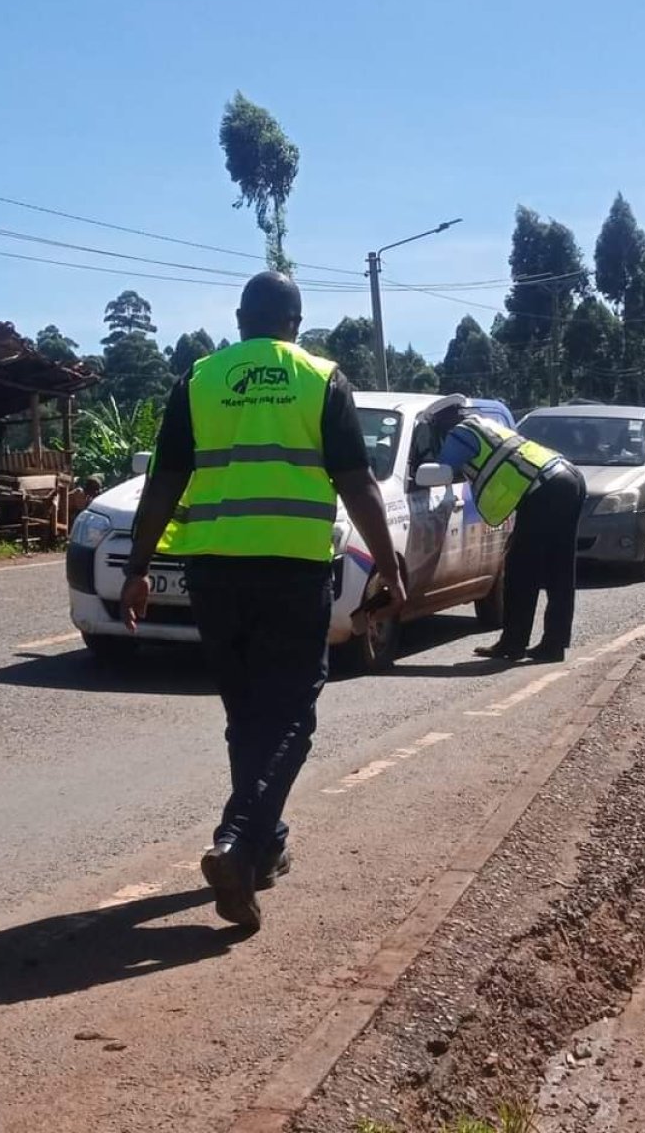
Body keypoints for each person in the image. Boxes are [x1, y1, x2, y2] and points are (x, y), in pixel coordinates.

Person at [120, 271, 405, 931]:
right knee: (293, 717)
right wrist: (388, 564)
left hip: (213, 572)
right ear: (295, 323)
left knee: (248, 713)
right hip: (291, 568)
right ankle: (238, 841)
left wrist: (139, 568)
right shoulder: (320, 378)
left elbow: (163, 481)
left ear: (241, 318)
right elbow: (356, 481)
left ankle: (263, 846)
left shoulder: (200, 380)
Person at [427, 399, 585, 663]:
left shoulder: (459, 434)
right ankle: (554, 645)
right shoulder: (485, 425)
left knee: (521, 569)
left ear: (442, 422)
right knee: (560, 569)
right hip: (568, 477)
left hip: (543, 489)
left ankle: (513, 644)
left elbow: (444, 467)